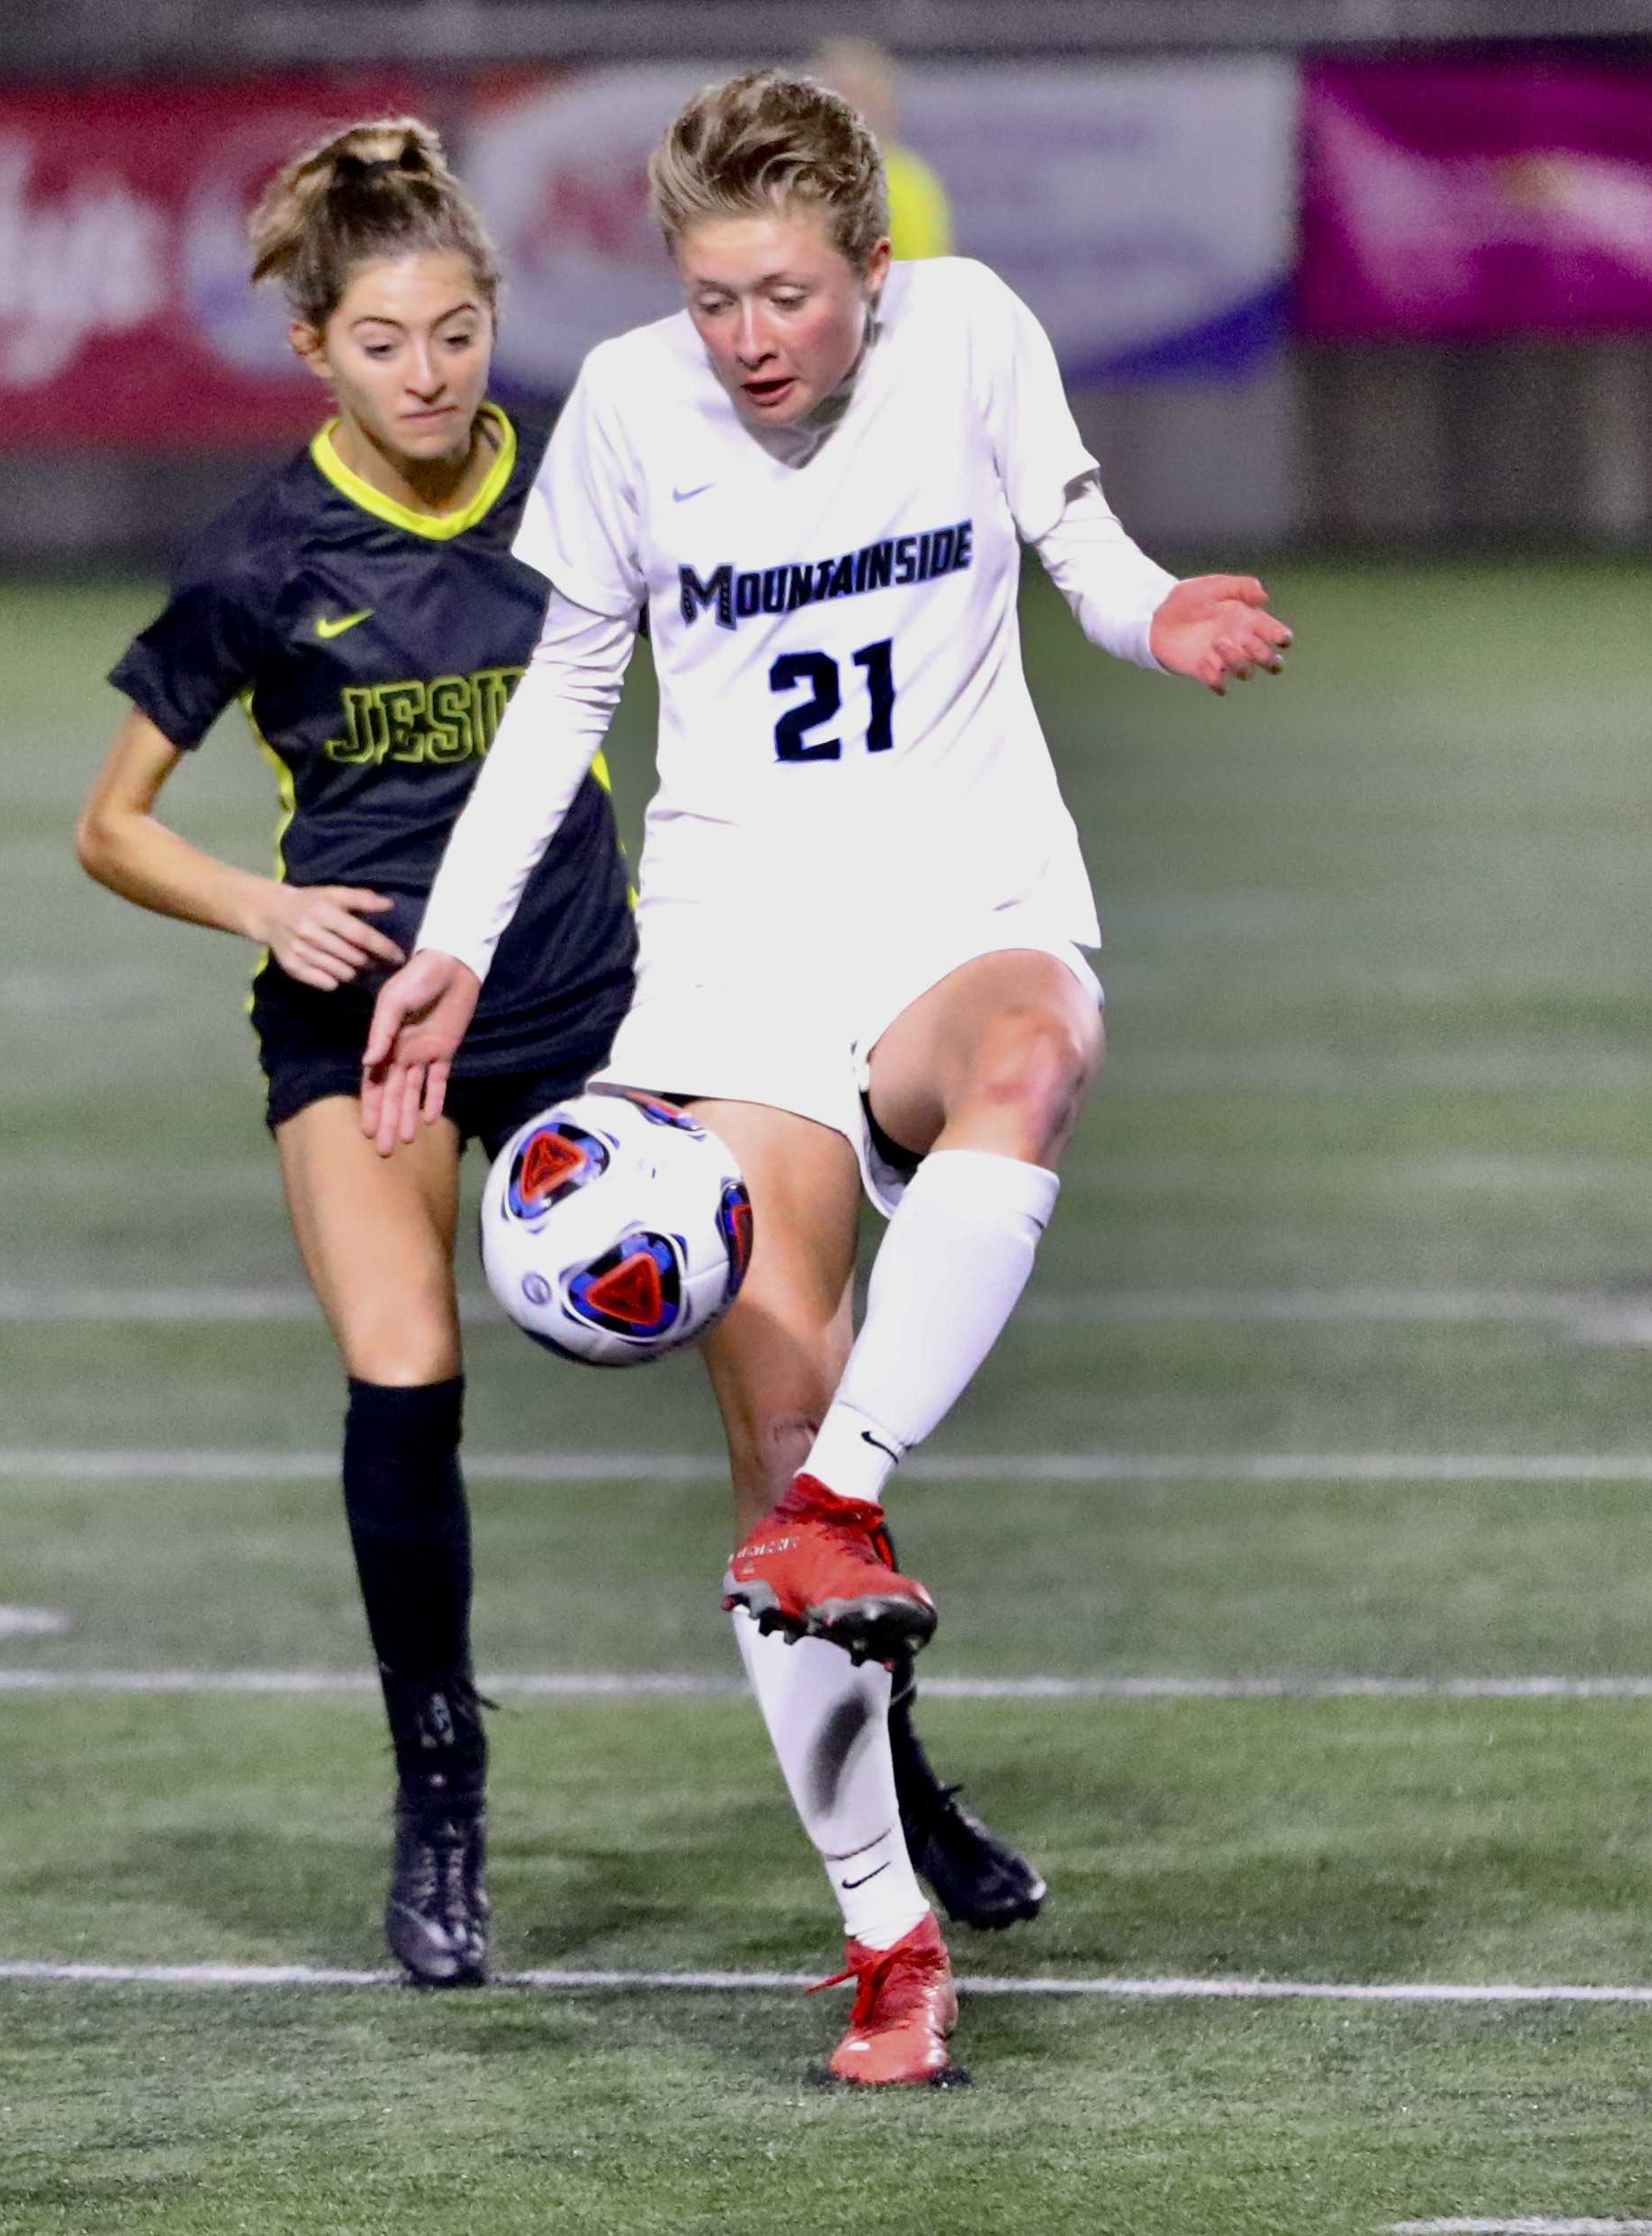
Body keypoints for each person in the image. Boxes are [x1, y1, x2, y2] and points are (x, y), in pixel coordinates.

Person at [361, 72, 1290, 2080]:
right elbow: (568, 696)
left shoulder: (969, 335)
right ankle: (884, 1934)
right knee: (770, 1454)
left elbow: (1079, 547)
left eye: (782, 292)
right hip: (733, 977)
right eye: (710, 298)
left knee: (1035, 1049)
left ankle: (846, 1508)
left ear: (872, 265)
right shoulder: (624, 407)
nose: (745, 337)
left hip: (962, 897)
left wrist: (1161, 620)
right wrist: (450, 935)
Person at [74, 114, 1037, 1991]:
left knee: (791, 1410)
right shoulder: (261, 557)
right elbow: (110, 821)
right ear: (311, 352)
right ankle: (441, 1793)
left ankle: (892, 1781)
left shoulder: (596, 465)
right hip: (369, 1032)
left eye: (451, 334)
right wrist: (263, 910)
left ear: (490, 318)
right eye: (379, 343)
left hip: (613, 1001)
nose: (423, 374)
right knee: (403, 1366)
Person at [813, 38, 952, 260]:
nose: (852, 106)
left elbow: (927, 272)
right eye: (840, 92)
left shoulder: (908, 183)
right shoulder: (791, 177)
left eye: (863, 95)